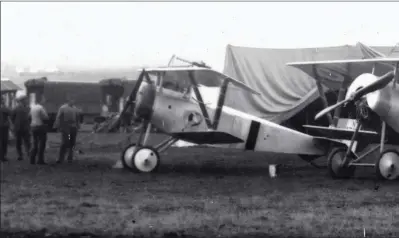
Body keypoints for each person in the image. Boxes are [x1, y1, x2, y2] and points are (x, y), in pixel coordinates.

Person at [53, 96, 81, 164]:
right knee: (65, 142)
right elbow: (58, 117)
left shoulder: (75, 109)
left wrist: (78, 126)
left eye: (73, 100)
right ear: (68, 100)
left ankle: (70, 158)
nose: (72, 101)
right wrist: (57, 126)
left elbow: (77, 118)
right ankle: (60, 158)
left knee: (72, 143)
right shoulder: (63, 108)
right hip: (66, 128)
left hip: (73, 128)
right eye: (71, 100)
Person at [11, 94, 31, 161]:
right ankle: (20, 155)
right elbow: (12, 118)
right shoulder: (16, 108)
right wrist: (15, 124)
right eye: (26, 100)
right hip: (18, 128)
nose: (27, 101)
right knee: (18, 142)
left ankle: (28, 153)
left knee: (27, 142)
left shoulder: (28, 108)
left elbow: (30, 118)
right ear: (22, 101)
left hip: (26, 128)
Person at [29, 97, 49, 165]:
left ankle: (32, 160)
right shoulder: (41, 108)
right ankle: (40, 160)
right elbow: (45, 117)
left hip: (33, 127)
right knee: (42, 144)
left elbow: (29, 116)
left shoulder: (32, 108)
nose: (44, 101)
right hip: (40, 126)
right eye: (43, 100)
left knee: (34, 144)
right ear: (40, 101)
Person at [0, 95, 12, 162]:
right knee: (4, 142)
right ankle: (3, 156)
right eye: (3, 99)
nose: (4, 100)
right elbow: (11, 113)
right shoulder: (3, 108)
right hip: (3, 127)